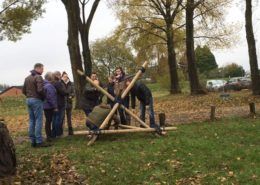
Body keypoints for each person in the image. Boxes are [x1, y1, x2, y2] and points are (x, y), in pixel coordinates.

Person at [22, 63, 50, 147]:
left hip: (28, 100)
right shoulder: (38, 77)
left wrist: (29, 96)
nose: (43, 70)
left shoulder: (27, 78)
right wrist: (44, 96)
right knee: (39, 120)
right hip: (36, 100)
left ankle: (33, 141)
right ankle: (39, 141)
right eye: (42, 69)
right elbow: (40, 90)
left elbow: (23, 90)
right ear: (37, 68)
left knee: (32, 120)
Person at [53, 71, 69, 137]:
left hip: (54, 103)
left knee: (54, 119)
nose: (60, 76)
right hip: (60, 103)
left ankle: (54, 133)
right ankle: (58, 133)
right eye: (59, 75)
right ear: (57, 75)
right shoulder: (58, 83)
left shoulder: (52, 83)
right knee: (59, 119)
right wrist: (67, 92)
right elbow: (63, 92)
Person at [43, 72, 57, 142]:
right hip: (49, 106)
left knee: (48, 121)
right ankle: (49, 136)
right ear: (50, 78)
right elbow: (51, 97)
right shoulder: (49, 86)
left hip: (45, 105)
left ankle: (49, 135)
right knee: (48, 121)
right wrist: (55, 106)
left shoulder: (44, 84)